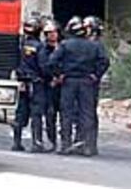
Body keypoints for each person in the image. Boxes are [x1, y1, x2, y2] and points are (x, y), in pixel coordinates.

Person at [48, 16, 109, 156]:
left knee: (66, 113)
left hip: (69, 82)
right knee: (87, 114)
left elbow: (52, 62)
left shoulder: (65, 45)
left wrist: (59, 75)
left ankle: (65, 145)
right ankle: (87, 146)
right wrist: (96, 75)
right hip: (87, 82)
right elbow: (104, 61)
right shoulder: (93, 46)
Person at [12, 16, 46, 153]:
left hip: (21, 81)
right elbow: (43, 65)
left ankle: (17, 142)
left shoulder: (20, 44)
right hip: (35, 82)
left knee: (20, 112)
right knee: (36, 113)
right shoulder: (39, 46)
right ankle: (36, 143)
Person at [82, 16, 106, 156]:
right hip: (82, 82)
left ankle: (90, 144)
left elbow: (104, 62)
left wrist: (95, 75)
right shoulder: (85, 43)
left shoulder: (97, 45)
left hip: (90, 84)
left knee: (88, 113)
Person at [41, 20, 61, 151]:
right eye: (49, 33)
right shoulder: (43, 50)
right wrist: (52, 78)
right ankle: (52, 141)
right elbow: (43, 66)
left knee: (66, 115)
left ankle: (66, 141)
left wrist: (61, 77)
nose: (52, 35)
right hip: (48, 86)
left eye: (54, 32)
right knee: (50, 114)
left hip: (63, 85)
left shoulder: (63, 47)